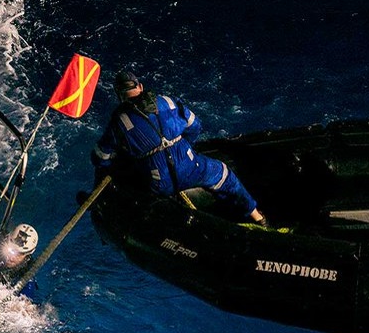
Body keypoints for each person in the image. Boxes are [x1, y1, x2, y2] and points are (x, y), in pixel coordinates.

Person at [91, 70, 269, 226]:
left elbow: (101, 157)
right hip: (191, 167)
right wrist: (184, 148)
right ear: (140, 86)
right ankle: (258, 218)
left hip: (159, 184)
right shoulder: (168, 102)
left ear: (119, 95)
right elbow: (195, 126)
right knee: (224, 175)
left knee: (132, 183)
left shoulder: (119, 122)